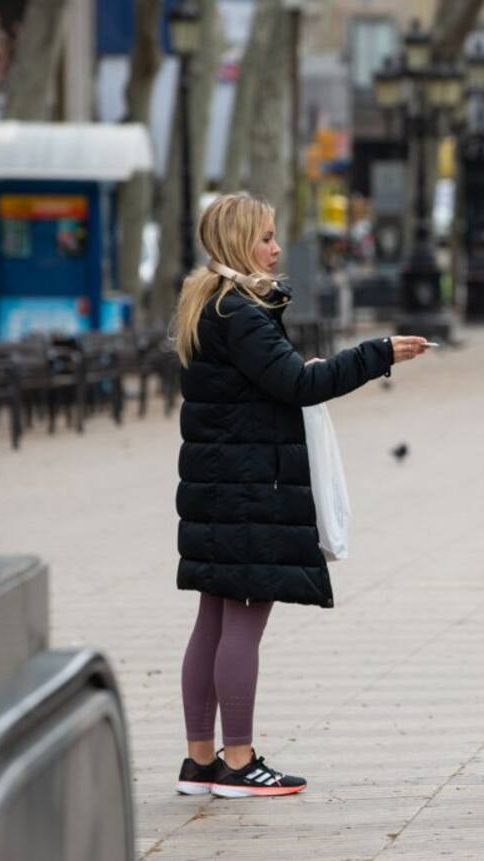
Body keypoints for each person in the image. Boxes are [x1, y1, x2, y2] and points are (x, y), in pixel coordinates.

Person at [172, 193, 430, 798]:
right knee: (241, 621)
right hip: (248, 489)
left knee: (212, 619)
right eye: (265, 237)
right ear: (239, 243)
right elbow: (300, 385)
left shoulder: (208, 304)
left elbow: (264, 385)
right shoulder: (240, 311)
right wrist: (379, 354)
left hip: (218, 486)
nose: (276, 246)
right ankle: (238, 763)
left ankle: (200, 761)